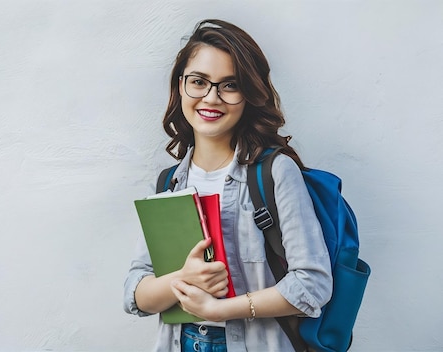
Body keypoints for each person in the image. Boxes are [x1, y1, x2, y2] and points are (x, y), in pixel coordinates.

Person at [123, 19, 333, 352]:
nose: (211, 97)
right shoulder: (169, 183)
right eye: (198, 82)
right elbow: (135, 293)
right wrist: (181, 280)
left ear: (249, 94)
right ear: (181, 86)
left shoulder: (275, 171)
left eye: (229, 85)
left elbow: (313, 284)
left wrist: (219, 309)